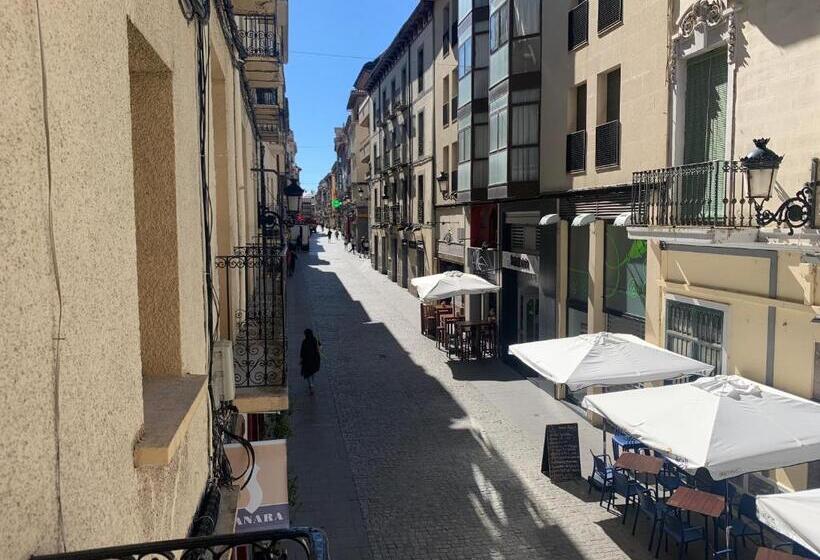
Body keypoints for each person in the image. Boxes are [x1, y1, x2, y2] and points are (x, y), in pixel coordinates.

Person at [299, 329, 321, 395]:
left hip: (306, 360)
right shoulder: (314, 339)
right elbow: (319, 347)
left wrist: (301, 359)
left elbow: (302, 352)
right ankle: (312, 384)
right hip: (315, 359)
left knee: (307, 373)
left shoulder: (304, 341)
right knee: (312, 372)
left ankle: (310, 384)